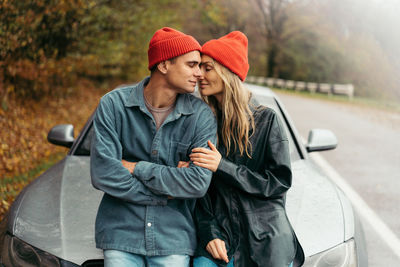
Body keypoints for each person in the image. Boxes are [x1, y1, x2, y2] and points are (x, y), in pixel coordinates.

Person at [90, 27, 217, 267]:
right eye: (191, 65)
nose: (199, 73)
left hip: (173, 237)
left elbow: (197, 183)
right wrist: (168, 191)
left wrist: (136, 167)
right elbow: (104, 173)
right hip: (121, 233)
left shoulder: (201, 116)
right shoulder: (113, 105)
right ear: (164, 65)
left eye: (199, 66)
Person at [189, 31, 305, 267]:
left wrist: (222, 167)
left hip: (263, 236)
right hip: (219, 231)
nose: (200, 74)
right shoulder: (202, 122)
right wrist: (209, 232)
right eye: (199, 67)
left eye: (208, 67)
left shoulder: (266, 120)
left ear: (227, 72)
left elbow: (278, 183)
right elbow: (199, 194)